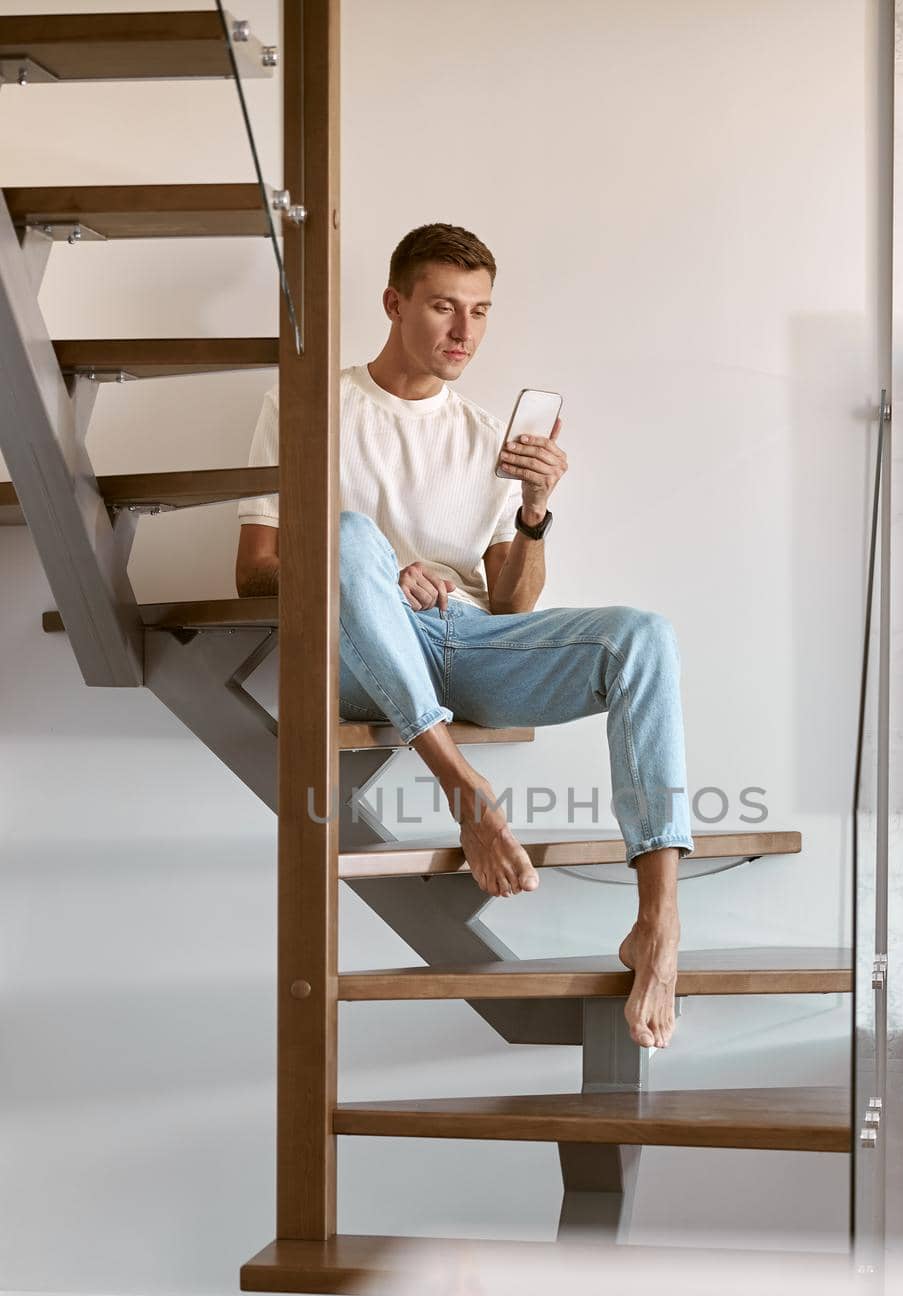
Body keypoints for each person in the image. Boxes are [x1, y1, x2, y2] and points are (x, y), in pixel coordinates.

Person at [235, 223, 693, 1049]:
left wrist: (533, 515)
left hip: (465, 639)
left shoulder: (486, 434)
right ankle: (464, 791)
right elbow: (255, 569)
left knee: (642, 635)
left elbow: (512, 604)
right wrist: (376, 568)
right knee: (343, 533)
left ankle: (658, 919)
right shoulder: (309, 407)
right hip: (359, 651)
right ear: (393, 302)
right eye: (444, 307)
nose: (464, 333)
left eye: (479, 312)